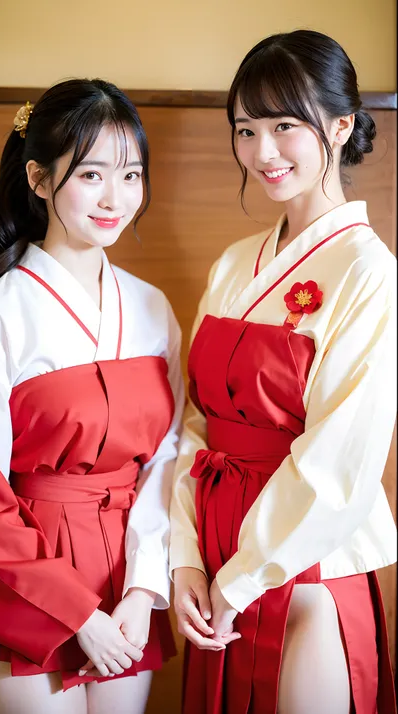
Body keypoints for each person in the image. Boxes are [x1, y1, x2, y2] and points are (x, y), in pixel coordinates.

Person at [0, 78, 184, 714]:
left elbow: (169, 458)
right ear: (40, 180)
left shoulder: (152, 309)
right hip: (26, 586)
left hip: (127, 583)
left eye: (131, 175)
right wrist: (77, 615)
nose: (116, 198)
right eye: (92, 174)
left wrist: (141, 591)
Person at [170, 30, 397, 714]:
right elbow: (194, 422)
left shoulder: (368, 271)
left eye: (284, 126)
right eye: (245, 129)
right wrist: (185, 555)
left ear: (340, 123)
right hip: (214, 560)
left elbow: (340, 463)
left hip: (303, 572)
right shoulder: (236, 262)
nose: (261, 151)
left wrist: (237, 582)